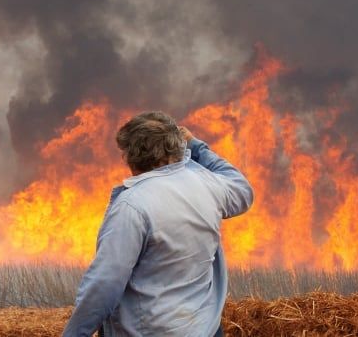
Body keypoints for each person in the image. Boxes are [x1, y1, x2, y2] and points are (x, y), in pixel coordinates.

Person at [63, 111, 253, 336]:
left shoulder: (132, 206)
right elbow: (242, 189)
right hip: (205, 329)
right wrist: (197, 148)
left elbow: (105, 284)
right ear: (176, 149)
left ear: (129, 156)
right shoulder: (206, 184)